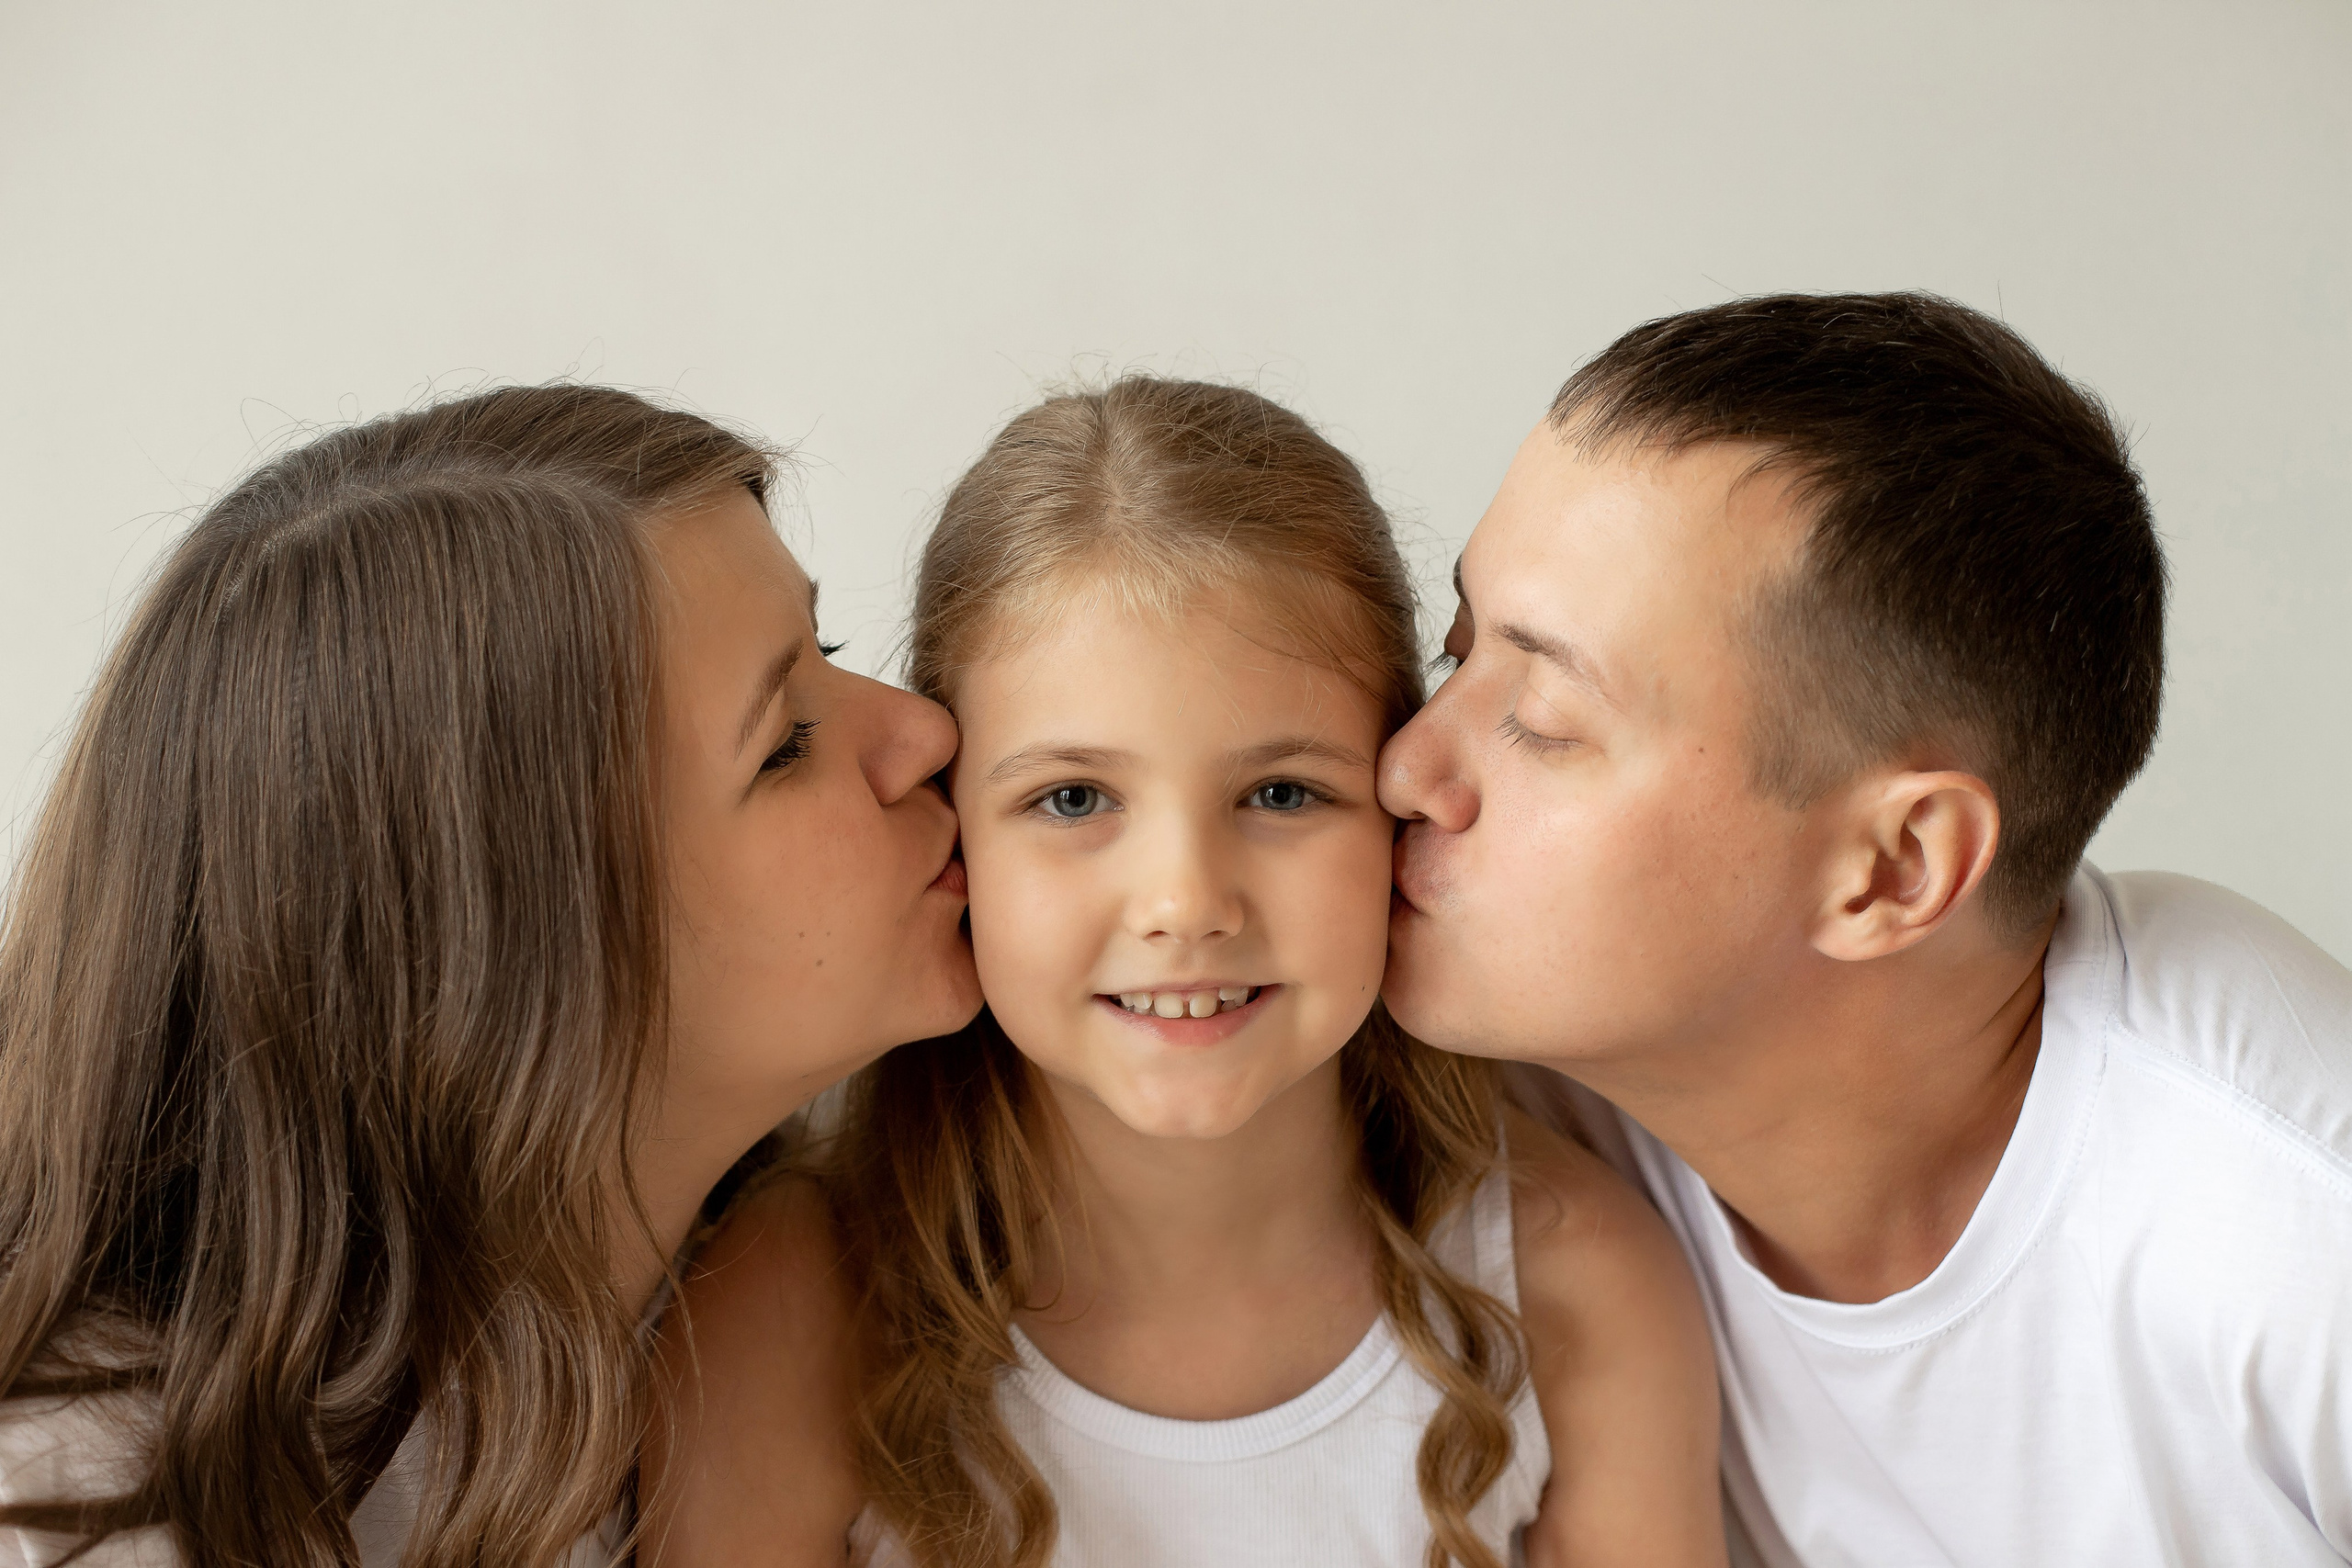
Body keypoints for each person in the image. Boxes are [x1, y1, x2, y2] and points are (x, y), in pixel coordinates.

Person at [645, 377, 1725, 1568]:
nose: (1185, 904)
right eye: (1073, 800)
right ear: (956, 833)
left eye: (1282, 793)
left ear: (1399, 798)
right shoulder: (796, 1305)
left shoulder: (1576, 1286)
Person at [1377, 291, 2352, 1565]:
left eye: (1546, 721)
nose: (1407, 768)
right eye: (1456, 654)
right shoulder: (1494, 1102)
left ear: (1894, 870)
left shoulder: (2291, 1233)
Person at [0, 384, 981, 1567]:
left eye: (831, 651)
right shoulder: (74, 1506)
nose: (925, 731)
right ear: (517, 949)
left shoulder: (895, 1278)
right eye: (786, 744)